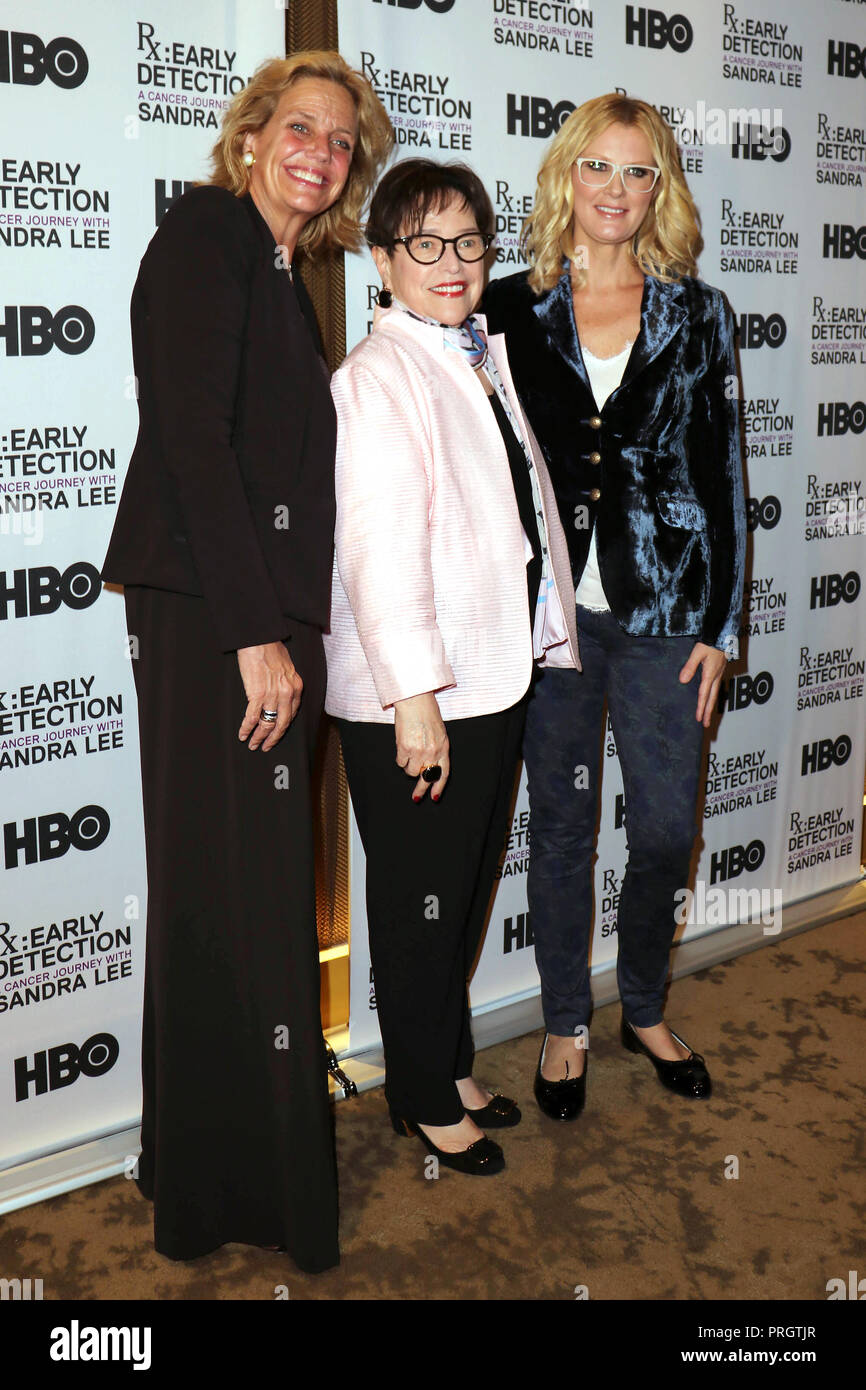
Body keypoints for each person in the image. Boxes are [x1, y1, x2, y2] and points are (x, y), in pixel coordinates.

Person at [101, 52, 392, 1267]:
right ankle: (244, 1194)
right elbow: (191, 445)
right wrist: (253, 635)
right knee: (246, 897)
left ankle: (198, 1166)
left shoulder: (277, 269)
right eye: (299, 127)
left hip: (244, 615)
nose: (317, 152)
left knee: (235, 894)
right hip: (218, 624)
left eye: (339, 142)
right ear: (253, 133)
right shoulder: (206, 235)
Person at [483, 94, 746, 1120]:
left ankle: (641, 1002)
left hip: (663, 614)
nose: (615, 190)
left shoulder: (699, 313)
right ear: (564, 176)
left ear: (659, 189)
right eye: (597, 167)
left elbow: (721, 475)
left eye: (636, 173)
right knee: (559, 824)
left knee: (664, 831)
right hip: (545, 616)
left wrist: (720, 629)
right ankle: (562, 1021)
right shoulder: (503, 306)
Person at [323, 159, 578, 1174]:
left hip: (491, 670)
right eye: (421, 243)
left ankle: (446, 1056)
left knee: (460, 886)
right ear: (380, 260)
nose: (449, 261)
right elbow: (379, 553)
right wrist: (413, 701)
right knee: (421, 897)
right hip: (419, 693)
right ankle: (422, 1092)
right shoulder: (377, 378)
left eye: (467, 241)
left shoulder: (470, 355)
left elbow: (516, 513)